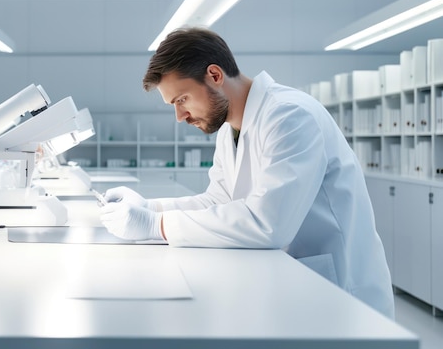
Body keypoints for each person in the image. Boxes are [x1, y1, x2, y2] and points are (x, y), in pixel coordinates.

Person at [99, 27, 394, 319]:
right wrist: (149, 206)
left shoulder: (290, 115)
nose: (180, 116)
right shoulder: (231, 129)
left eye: (182, 100)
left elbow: (269, 223)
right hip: (294, 285)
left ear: (215, 76)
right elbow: (218, 200)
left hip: (341, 296)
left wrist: (156, 225)